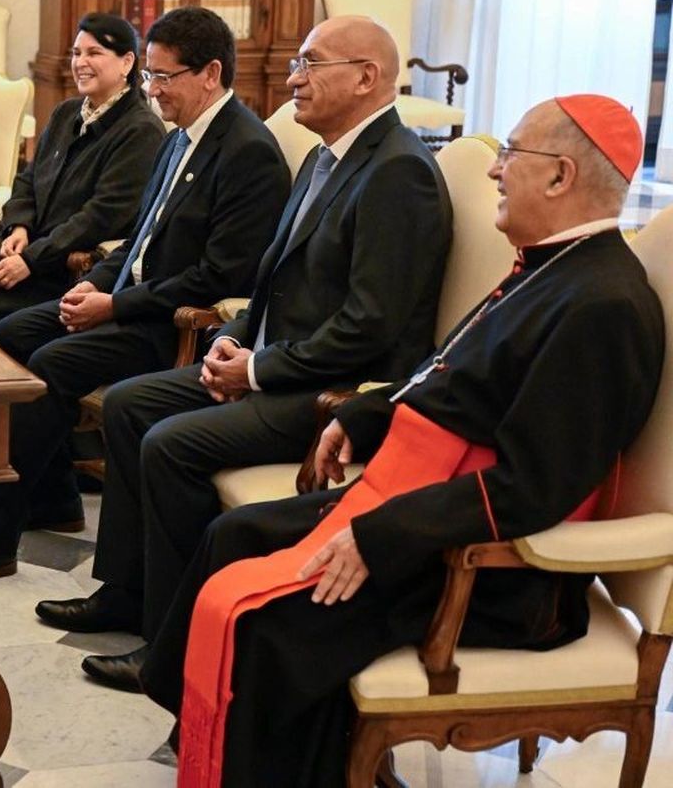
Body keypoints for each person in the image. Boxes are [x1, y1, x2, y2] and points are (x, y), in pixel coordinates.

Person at [136, 95, 663, 787]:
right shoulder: (548, 267)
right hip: (425, 510)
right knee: (232, 536)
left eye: (510, 154)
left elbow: (533, 489)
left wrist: (381, 535)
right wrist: (361, 417)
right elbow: (450, 378)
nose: (496, 171)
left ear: (561, 176)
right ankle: (226, 748)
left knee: (271, 629)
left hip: (493, 575)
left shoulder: (602, 307)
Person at [39, 15, 452, 657]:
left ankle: (173, 644)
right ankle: (128, 591)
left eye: (311, 64)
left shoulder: (399, 171)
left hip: (335, 390)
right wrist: (232, 339)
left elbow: (370, 326)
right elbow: (267, 281)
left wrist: (257, 371)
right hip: (276, 360)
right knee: (127, 405)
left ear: (367, 77)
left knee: (170, 444)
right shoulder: (326, 155)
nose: (293, 79)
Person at [0, 6, 288, 584]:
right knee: (15, 331)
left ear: (209, 73)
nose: (152, 90)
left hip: (176, 327)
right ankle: (53, 494)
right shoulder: (183, 137)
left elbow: (219, 277)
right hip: (130, 297)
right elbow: (140, 239)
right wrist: (95, 283)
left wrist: (115, 304)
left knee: (51, 362)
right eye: (150, 76)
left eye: (163, 77)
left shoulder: (245, 150)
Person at [0, 12, 165, 333]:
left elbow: (101, 215)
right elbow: (28, 178)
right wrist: (18, 227)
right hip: (32, 245)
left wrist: (31, 260)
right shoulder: (66, 113)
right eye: (76, 53)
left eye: (94, 53)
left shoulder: (141, 130)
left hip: (65, 267)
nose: (81, 62)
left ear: (127, 63)